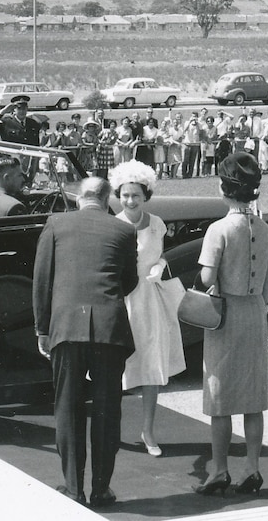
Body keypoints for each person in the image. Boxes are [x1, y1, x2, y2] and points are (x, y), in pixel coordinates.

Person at [33, 176, 138, 508]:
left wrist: (42, 329)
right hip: (109, 328)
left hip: (65, 326)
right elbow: (129, 280)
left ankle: (73, 488)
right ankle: (101, 488)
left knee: (67, 407)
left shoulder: (55, 223)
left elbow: (42, 279)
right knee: (107, 410)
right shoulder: (123, 230)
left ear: (79, 198)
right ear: (108, 200)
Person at [194, 152, 268, 497]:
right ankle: (253, 468)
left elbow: (207, 276)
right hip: (255, 312)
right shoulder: (267, 230)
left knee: (220, 397)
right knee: (253, 398)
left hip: (225, 315)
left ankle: (219, 470)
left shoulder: (218, 230)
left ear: (224, 188)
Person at [110, 160, 186, 458]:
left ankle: (148, 430)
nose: (130, 201)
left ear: (146, 196)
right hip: (124, 301)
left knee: (152, 366)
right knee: (120, 367)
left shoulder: (156, 223)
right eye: (125, 195)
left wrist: (160, 265)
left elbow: (160, 254)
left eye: (136, 196)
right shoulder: (114, 224)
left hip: (150, 300)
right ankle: (112, 429)